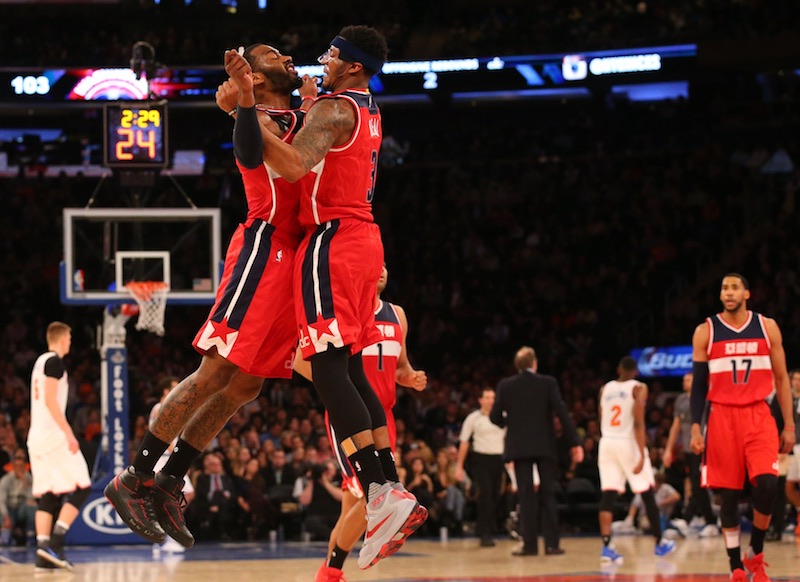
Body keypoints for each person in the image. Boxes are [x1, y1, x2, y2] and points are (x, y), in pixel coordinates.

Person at [224, 25, 427, 571]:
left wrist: (241, 108)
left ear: (354, 66)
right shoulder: (360, 105)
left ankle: (381, 490)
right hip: (362, 241)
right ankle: (388, 488)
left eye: (333, 55)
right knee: (348, 366)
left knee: (325, 365)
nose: (323, 60)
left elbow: (291, 165)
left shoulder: (335, 108)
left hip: (331, 239)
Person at [104, 43, 317, 548]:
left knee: (247, 386)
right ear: (257, 79)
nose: (287, 58)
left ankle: (170, 479)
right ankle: (133, 477)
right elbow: (248, 152)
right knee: (216, 371)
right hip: (265, 246)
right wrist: (241, 100)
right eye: (273, 56)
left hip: (296, 253)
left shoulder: (300, 110)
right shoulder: (258, 112)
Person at [294, 263, 427, 581]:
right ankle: (339, 564)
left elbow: (400, 365)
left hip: (383, 419)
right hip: (350, 416)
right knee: (369, 491)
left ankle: (331, 572)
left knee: (354, 502)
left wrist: (410, 378)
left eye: (384, 265)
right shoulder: (344, 311)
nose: (380, 269)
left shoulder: (398, 315)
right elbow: (300, 361)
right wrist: (337, 387)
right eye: (374, 264)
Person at [689, 273, 796, 582]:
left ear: (747, 293)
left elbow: (781, 380)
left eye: (735, 287)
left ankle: (756, 552)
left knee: (767, 484)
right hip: (722, 417)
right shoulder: (705, 332)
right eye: (724, 287)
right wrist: (696, 427)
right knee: (729, 496)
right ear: (721, 295)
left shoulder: (767, 327)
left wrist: (788, 425)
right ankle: (736, 566)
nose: (729, 292)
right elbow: (698, 387)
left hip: (758, 414)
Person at [489, 346, 583, 556]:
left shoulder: (506, 385)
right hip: (544, 445)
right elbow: (561, 412)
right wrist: (575, 442)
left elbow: (494, 417)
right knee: (548, 494)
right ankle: (552, 544)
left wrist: (510, 422)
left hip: (519, 447)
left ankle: (529, 545)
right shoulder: (547, 383)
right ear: (534, 363)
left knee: (526, 495)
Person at [597, 356, 677, 564]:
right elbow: (639, 422)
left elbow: (601, 417)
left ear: (618, 369)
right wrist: (642, 453)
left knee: (608, 495)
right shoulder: (638, 387)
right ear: (636, 372)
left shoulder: (604, 389)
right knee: (647, 492)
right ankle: (659, 543)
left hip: (606, 442)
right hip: (627, 442)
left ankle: (606, 546)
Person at [27, 322, 91, 571]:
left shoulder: (40, 361)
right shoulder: (54, 361)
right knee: (83, 485)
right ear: (63, 338)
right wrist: (69, 433)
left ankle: (43, 552)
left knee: (49, 493)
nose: (71, 342)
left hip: (37, 437)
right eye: (70, 337)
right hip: (53, 436)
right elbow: (51, 400)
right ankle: (56, 541)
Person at [663, 372, 718, 536]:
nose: (684, 381)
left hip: (703, 446)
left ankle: (701, 520)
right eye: (684, 379)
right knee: (695, 483)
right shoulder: (680, 400)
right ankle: (700, 520)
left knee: (698, 482)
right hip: (688, 449)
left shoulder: (707, 397)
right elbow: (676, 426)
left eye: (688, 379)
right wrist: (668, 449)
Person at [455, 387, 506, 547]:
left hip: (499, 459)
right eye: (487, 398)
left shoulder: (503, 417)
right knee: (485, 494)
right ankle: (485, 533)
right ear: (481, 400)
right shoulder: (473, 418)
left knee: (496, 495)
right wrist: (459, 466)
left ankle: (486, 528)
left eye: (493, 398)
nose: (491, 401)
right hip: (480, 459)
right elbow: (464, 442)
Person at [0, 449, 35, 546]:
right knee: (1, 511)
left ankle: (30, 536)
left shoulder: (29, 479)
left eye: (22, 462)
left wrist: (25, 483)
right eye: (17, 461)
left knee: (32, 508)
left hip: (22, 509)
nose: (19, 466)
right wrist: (6, 516)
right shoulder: (6, 480)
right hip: (9, 508)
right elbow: (1, 501)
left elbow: (31, 499)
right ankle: (5, 536)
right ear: (13, 465)